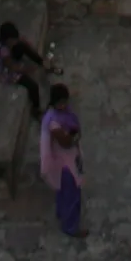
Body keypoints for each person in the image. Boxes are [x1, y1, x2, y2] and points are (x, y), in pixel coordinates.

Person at [41, 79, 84, 240]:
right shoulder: (54, 123)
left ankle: (62, 213)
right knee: (72, 194)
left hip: (62, 160)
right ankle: (70, 227)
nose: (65, 105)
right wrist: (75, 136)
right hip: (64, 162)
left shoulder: (58, 114)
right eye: (62, 102)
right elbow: (66, 142)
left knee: (63, 191)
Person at [0, 17, 45, 121]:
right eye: (13, 40)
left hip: (12, 61)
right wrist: (29, 69)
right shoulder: (4, 54)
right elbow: (15, 68)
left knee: (22, 46)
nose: (15, 41)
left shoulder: (10, 44)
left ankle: (42, 62)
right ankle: (36, 110)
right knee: (33, 86)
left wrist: (25, 45)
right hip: (9, 72)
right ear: (7, 40)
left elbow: (23, 43)